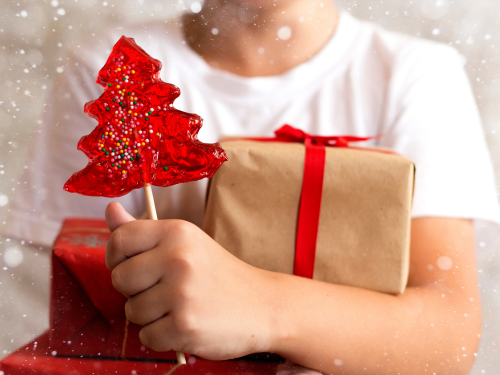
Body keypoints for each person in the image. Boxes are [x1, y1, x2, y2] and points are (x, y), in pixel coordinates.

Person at [3, 0, 499, 373]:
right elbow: (84, 307)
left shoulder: (416, 76)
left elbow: (447, 336)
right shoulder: (102, 65)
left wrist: (259, 304)